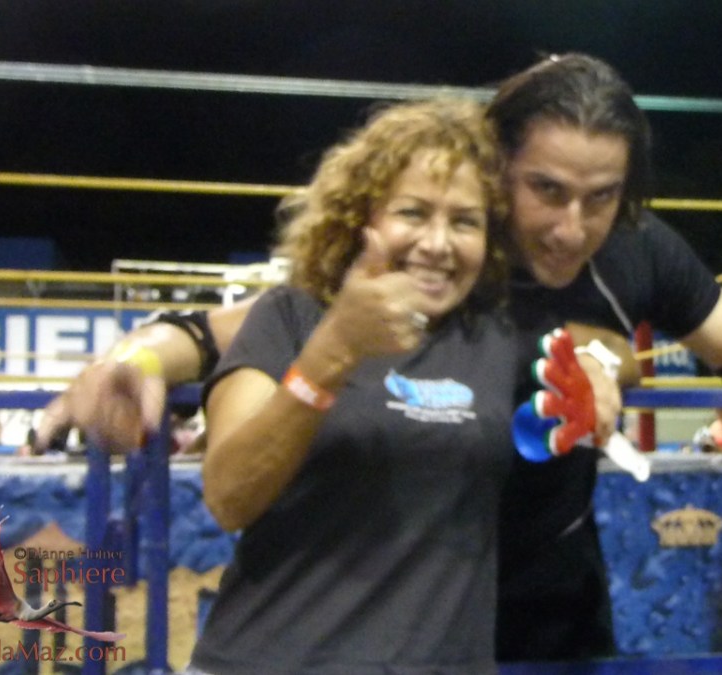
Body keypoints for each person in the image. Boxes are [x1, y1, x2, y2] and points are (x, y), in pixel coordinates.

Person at [37, 53, 722, 662]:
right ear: (497, 172)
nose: (572, 226)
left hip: (544, 603)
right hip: (369, 605)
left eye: (601, 196)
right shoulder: (426, 255)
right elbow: (243, 328)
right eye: (547, 190)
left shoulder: (635, 249)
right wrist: (136, 358)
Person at [188, 98, 535, 674]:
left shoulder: (496, 336)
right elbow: (229, 496)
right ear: (361, 219)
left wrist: (599, 367)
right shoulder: (291, 317)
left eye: (465, 221)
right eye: (413, 213)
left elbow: (598, 341)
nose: (438, 243)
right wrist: (335, 350)